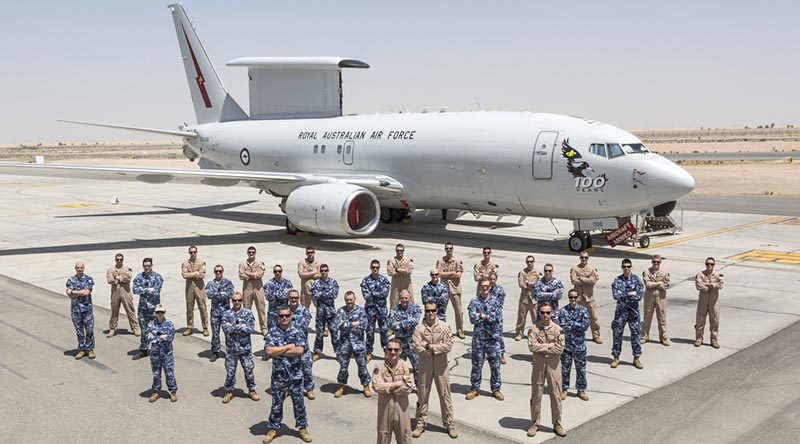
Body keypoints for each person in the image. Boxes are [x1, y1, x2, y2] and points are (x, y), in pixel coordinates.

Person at [264, 306, 312, 444]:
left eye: (286, 316)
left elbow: (300, 350)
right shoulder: (273, 331)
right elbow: (269, 351)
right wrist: (287, 347)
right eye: (281, 316)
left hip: (295, 374)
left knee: (299, 402)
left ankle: (302, 428)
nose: (284, 318)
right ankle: (273, 428)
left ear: (290, 316)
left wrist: (278, 350)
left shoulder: (297, 329)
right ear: (278, 317)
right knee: (276, 403)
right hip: (278, 375)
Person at [412, 301, 457, 439]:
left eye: (433, 310)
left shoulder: (444, 326)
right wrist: (435, 348)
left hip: (441, 366)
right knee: (423, 394)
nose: (431, 313)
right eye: (428, 311)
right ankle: (420, 422)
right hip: (425, 366)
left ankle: (450, 423)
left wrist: (430, 347)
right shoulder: (419, 328)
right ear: (425, 311)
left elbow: (448, 345)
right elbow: (417, 347)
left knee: (445, 394)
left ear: (437, 311)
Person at [527, 302, 566, 438]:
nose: (545, 315)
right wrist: (549, 346)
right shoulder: (533, 329)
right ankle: (534, 423)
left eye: (548, 312)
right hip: (538, 365)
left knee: (556, 394)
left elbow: (560, 348)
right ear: (539, 313)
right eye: (542, 312)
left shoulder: (557, 329)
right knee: (536, 394)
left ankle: (557, 423)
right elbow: (532, 347)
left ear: (552, 313)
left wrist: (541, 347)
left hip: (553, 366)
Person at [465, 281, 503, 401]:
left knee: (495, 365)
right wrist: (487, 317)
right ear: (480, 287)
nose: (485, 288)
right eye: (483, 286)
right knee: (477, 364)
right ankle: (475, 389)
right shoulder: (474, 301)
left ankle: (496, 389)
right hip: (479, 339)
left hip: (493, 339)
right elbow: (472, 319)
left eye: (487, 286)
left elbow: (496, 319)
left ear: (490, 287)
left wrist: (481, 315)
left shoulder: (495, 301)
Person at [373, 338, 415, 444]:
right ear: (386, 350)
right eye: (390, 349)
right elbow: (377, 386)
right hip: (385, 408)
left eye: (396, 350)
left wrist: (390, 390)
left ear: (400, 350)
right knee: (383, 437)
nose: (393, 352)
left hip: (401, 408)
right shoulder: (379, 366)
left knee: (404, 437)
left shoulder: (406, 366)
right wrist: (396, 384)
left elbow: (409, 386)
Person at [332, 291, 372, 398]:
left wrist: (347, 325)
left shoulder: (360, 311)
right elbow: (338, 325)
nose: (349, 302)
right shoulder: (341, 311)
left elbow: (364, 326)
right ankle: (341, 386)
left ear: (355, 299)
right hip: (345, 344)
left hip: (358, 344)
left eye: (351, 299)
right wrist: (353, 323)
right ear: (345, 300)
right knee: (343, 367)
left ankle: (366, 385)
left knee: (362, 366)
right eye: (347, 300)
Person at [221, 292, 259, 403]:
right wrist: (241, 327)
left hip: (245, 349)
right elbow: (226, 329)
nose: (237, 302)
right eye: (234, 300)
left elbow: (250, 329)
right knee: (230, 371)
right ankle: (229, 391)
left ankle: (252, 390)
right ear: (231, 301)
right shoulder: (227, 313)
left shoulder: (248, 313)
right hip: (232, 349)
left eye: (239, 300)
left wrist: (233, 327)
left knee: (249, 370)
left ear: (242, 301)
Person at [554, 289, 590, 401]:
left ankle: (581, 390)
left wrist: (571, 323)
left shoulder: (583, 310)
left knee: (581, 369)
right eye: (571, 297)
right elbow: (561, 326)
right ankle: (564, 389)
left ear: (578, 298)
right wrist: (576, 324)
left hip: (579, 345)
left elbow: (585, 326)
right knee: (565, 368)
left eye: (575, 297)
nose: (573, 299)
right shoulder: (563, 311)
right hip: (567, 345)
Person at [610, 258, 644, 369]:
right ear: (622, 267)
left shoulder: (637, 280)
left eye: (628, 266)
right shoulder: (617, 280)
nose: (626, 269)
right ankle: (616, 357)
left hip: (633, 312)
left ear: (631, 267)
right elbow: (615, 295)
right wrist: (630, 294)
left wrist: (624, 294)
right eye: (624, 267)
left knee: (635, 334)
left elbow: (639, 296)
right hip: (621, 312)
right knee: (617, 334)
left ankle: (636, 358)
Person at [388, 289, 421, 385]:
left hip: (412, 342)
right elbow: (391, 324)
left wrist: (400, 323)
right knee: (398, 367)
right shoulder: (394, 309)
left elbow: (415, 320)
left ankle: (419, 387)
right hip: (399, 343)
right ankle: (400, 385)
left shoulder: (415, 308)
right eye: (402, 298)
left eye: (406, 298)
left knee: (417, 366)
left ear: (409, 298)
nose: (404, 300)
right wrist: (407, 322)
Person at [360, 259, 391, 362]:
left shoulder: (384, 279)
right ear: (370, 268)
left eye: (377, 267)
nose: (375, 269)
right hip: (370, 311)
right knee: (369, 332)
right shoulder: (365, 281)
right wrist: (378, 293)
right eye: (373, 267)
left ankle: (386, 351)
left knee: (384, 331)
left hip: (381, 311)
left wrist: (373, 293)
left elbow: (385, 294)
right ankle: (368, 352)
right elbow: (366, 296)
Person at [132, 258, 163, 360]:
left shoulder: (157, 277)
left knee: (156, 329)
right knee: (144, 329)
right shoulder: (139, 277)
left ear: (151, 265)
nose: (147, 267)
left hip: (154, 309)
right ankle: (144, 349)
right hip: (143, 308)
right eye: (145, 265)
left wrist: (143, 290)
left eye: (148, 265)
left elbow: (156, 291)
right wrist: (147, 290)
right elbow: (135, 290)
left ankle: (157, 350)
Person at [146, 304, 177, 402]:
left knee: (169, 373)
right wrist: (161, 337)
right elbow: (148, 337)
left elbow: (169, 338)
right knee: (156, 373)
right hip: (155, 353)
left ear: (164, 313)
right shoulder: (151, 324)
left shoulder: (169, 324)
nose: (160, 314)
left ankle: (172, 392)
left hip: (166, 353)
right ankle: (156, 391)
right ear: (155, 313)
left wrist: (155, 337)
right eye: (158, 312)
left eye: (162, 312)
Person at [288, 290, 316, 399]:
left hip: (303, 346)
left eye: (295, 298)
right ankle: (289, 388)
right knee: (289, 368)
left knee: (307, 368)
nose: (293, 300)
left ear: (298, 298)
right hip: (289, 346)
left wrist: (290, 324)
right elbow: (280, 325)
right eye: (291, 298)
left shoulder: (304, 310)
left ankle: (309, 389)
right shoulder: (285, 311)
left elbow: (304, 325)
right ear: (289, 299)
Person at [570, 251, 601, 343]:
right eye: (582, 257)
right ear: (580, 258)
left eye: (585, 257)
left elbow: (593, 280)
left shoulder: (592, 268)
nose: (584, 259)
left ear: (588, 258)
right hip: (578, 298)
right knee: (576, 317)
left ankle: (596, 335)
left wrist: (582, 279)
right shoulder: (575, 268)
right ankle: (575, 335)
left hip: (589, 297)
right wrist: (587, 280)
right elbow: (574, 281)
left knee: (593, 318)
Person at [436, 242, 465, 339]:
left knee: (458, 310)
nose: (448, 250)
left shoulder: (457, 261)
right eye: (447, 249)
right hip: (443, 289)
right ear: (445, 249)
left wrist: (446, 274)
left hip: (455, 289)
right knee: (441, 310)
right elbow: (439, 274)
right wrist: (452, 272)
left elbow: (459, 275)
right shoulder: (440, 261)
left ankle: (460, 330)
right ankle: (442, 330)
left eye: (450, 248)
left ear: (453, 249)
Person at [66, 261, 95, 360]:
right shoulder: (71, 280)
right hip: (76, 309)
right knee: (79, 331)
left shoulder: (88, 279)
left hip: (87, 309)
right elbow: (69, 295)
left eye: (81, 268)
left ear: (84, 268)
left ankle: (90, 349)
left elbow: (86, 292)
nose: (79, 269)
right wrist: (78, 293)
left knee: (89, 330)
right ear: (75, 268)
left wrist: (74, 292)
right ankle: (82, 349)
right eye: (78, 268)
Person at [106, 253, 139, 338]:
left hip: (125, 292)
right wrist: (119, 278)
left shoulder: (127, 269)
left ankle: (135, 327)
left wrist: (117, 278)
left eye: (121, 259)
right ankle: (113, 328)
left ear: (123, 260)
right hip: (115, 293)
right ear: (115, 260)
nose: (119, 261)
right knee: (114, 311)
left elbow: (128, 277)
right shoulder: (111, 270)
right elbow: (109, 280)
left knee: (130, 310)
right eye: (117, 259)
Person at [205, 265, 234, 362]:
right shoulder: (211, 283)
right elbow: (209, 295)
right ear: (214, 272)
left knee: (228, 333)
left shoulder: (228, 283)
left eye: (220, 271)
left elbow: (230, 294)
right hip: (215, 312)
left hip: (226, 312)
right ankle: (215, 351)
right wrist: (221, 294)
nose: (218, 273)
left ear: (223, 271)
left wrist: (217, 295)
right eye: (216, 271)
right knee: (215, 333)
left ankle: (230, 352)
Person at [695, 257, 724, 348]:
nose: (709, 266)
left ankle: (714, 339)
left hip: (714, 301)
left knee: (715, 319)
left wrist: (710, 284)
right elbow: (698, 285)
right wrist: (708, 287)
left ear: (714, 265)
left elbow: (721, 284)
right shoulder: (700, 274)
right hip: (703, 300)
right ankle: (699, 338)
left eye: (711, 264)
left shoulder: (718, 274)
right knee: (700, 319)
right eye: (707, 264)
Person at [311, 264, 339, 361]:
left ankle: (338, 353)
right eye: (322, 271)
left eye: (325, 270)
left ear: (328, 271)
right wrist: (327, 294)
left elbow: (334, 295)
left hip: (331, 312)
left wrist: (321, 294)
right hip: (320, 312)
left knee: (334, 332)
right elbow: (314, 296)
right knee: (319, 333)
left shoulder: (333, 282)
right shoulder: (316, 283)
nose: (324, 272)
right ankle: (317, 352)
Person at [642, 254, 671, 346]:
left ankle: (663, 337)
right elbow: (647, 284)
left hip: (661, 298)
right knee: (647, 317)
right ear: (652, 262)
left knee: (662, 318)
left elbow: (667, 284)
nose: (656, 263)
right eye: (654, 262)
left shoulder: (664, 272)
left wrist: (655, 284)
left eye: (657, 262)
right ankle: (644, 336)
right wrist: (659, 283)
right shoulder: (647, 272)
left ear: (660, 263)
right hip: (649, 298)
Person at [180, 245, 209, 336]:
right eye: (191, 252)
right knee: (189, 308)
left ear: (196, 252)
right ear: (189, 253)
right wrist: (195, 273)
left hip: (199, 288)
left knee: (202, 307)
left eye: (194, 252)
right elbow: (184, 275)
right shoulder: (185, 263)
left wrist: (192, 274)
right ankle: (189, 327)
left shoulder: (201, 263)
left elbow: (201, 275)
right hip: (189, 288)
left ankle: (205, 327)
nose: (193, 254)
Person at [239, 246, 268, 336]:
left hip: (258, 288)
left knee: (261, 308)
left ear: (255, 253)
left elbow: (260, 274)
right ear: (247, 253)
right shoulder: (243, 263)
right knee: (246, 308)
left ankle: (264, 328)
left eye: (253, 252)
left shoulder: (260, 263)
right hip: (247, 288)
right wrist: (253, 275)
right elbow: (241, 275)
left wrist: (248, 274)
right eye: (249, 252)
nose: (251, 254)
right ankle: (247, 327)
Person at [515, 255, 538, 341]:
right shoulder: (522, 272)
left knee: (535, 318)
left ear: (534, 262)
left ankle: (536, 334)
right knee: (521, 317)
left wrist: (529, 283)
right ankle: (519, 333)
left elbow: (537, 285)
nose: (529, 263)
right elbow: (521, 284)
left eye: (531, 261)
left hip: (533, 299)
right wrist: (530, 285)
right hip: (524, 298)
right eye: (528, 262)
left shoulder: (537, 273)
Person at [264, 264, 294, 330]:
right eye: (276, 271)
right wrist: (282, 294)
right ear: (273, 272)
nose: (277, 273)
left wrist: (275, 294)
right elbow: (268, 297)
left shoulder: (287, 283)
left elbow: (289, 295)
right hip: (273, 313)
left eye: (279, 271)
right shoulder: (268, 283)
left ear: (282, 272)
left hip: (284, 313)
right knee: (272, 332)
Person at [488, 272, 508, 364]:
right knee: (488, 335)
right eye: (490, 279)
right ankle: (490, 354)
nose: (492, 281)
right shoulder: (485, 289)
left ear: (496, 279)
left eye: (493, 279)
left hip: (497, 317)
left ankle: (501, 355)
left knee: (499, 336)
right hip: (487, 317)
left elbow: (499, 304)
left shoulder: (499, 290)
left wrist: (490, 309)